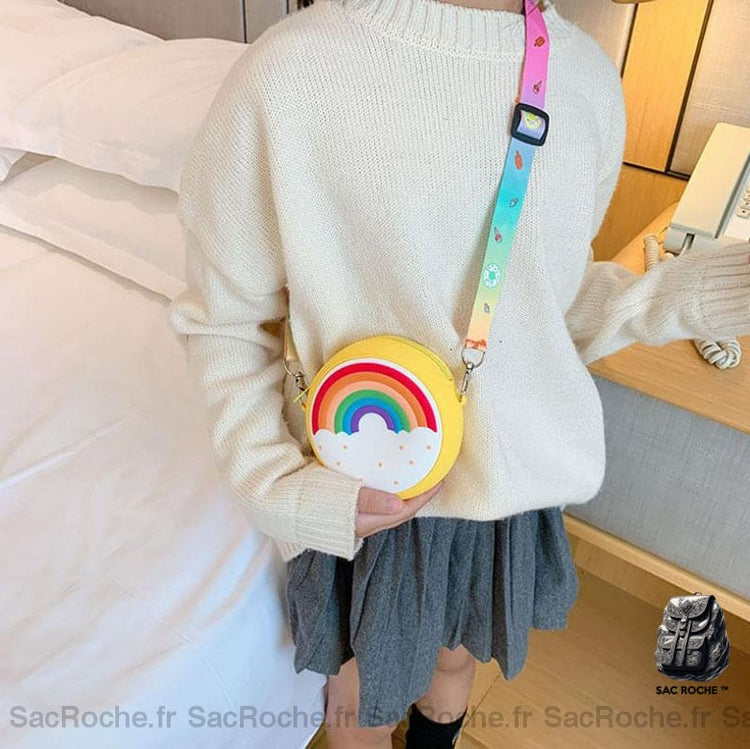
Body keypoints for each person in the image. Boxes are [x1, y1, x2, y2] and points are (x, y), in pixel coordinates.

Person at [168, 0, 750, 747]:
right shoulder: (288, 72)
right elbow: (224, 320)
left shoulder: (585, 81)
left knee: (456, 661)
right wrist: (276, 486)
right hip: (368, 497)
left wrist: (698, 295)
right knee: (362, 697)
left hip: (503, 495)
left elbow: (545, 309)